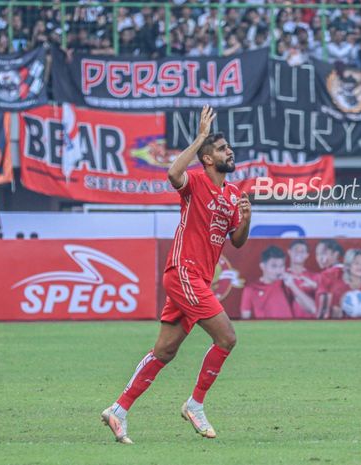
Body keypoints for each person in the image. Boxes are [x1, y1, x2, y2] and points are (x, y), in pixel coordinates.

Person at [101, 106, 252, 444]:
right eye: (222, 148)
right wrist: (200, 137)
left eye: (228, 147)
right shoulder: (195, 182)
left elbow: (238, 243)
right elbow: (172, 174)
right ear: (208, 159)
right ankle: (195, 404)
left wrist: (246, 219)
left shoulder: (231, 195)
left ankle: (118, 409)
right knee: (226, 338)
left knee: (164, 352)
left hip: (197, 280)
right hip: (184, 273)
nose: (230, 151)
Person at [240, 245, 293, 320]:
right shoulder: (250, 289)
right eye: (274, 266)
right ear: (262, 266)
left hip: (290, 328)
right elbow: (245, 317)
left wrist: (293, 286)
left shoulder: (288, 283)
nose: (278, 270)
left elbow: (310, 309)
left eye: (281, 266)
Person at [330, 248, 361, 319]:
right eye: (356, 263)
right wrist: (341, 305)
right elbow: (334, 320)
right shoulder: (338, 289)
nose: (360, 266)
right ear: (348, 266)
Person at [284, 240, 319, 318]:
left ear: (307, 255)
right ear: (289, 252)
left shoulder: (315, 277)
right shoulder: (281, 275)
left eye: (302, 251)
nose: (298, 253)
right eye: (296, 250)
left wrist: (315, 286)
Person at [314, 239, 344, 319]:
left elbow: (323, 305)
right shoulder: (349, 271)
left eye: (323, 254)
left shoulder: (326, 274)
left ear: (336, 254)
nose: (319, 258)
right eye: (317, 254)